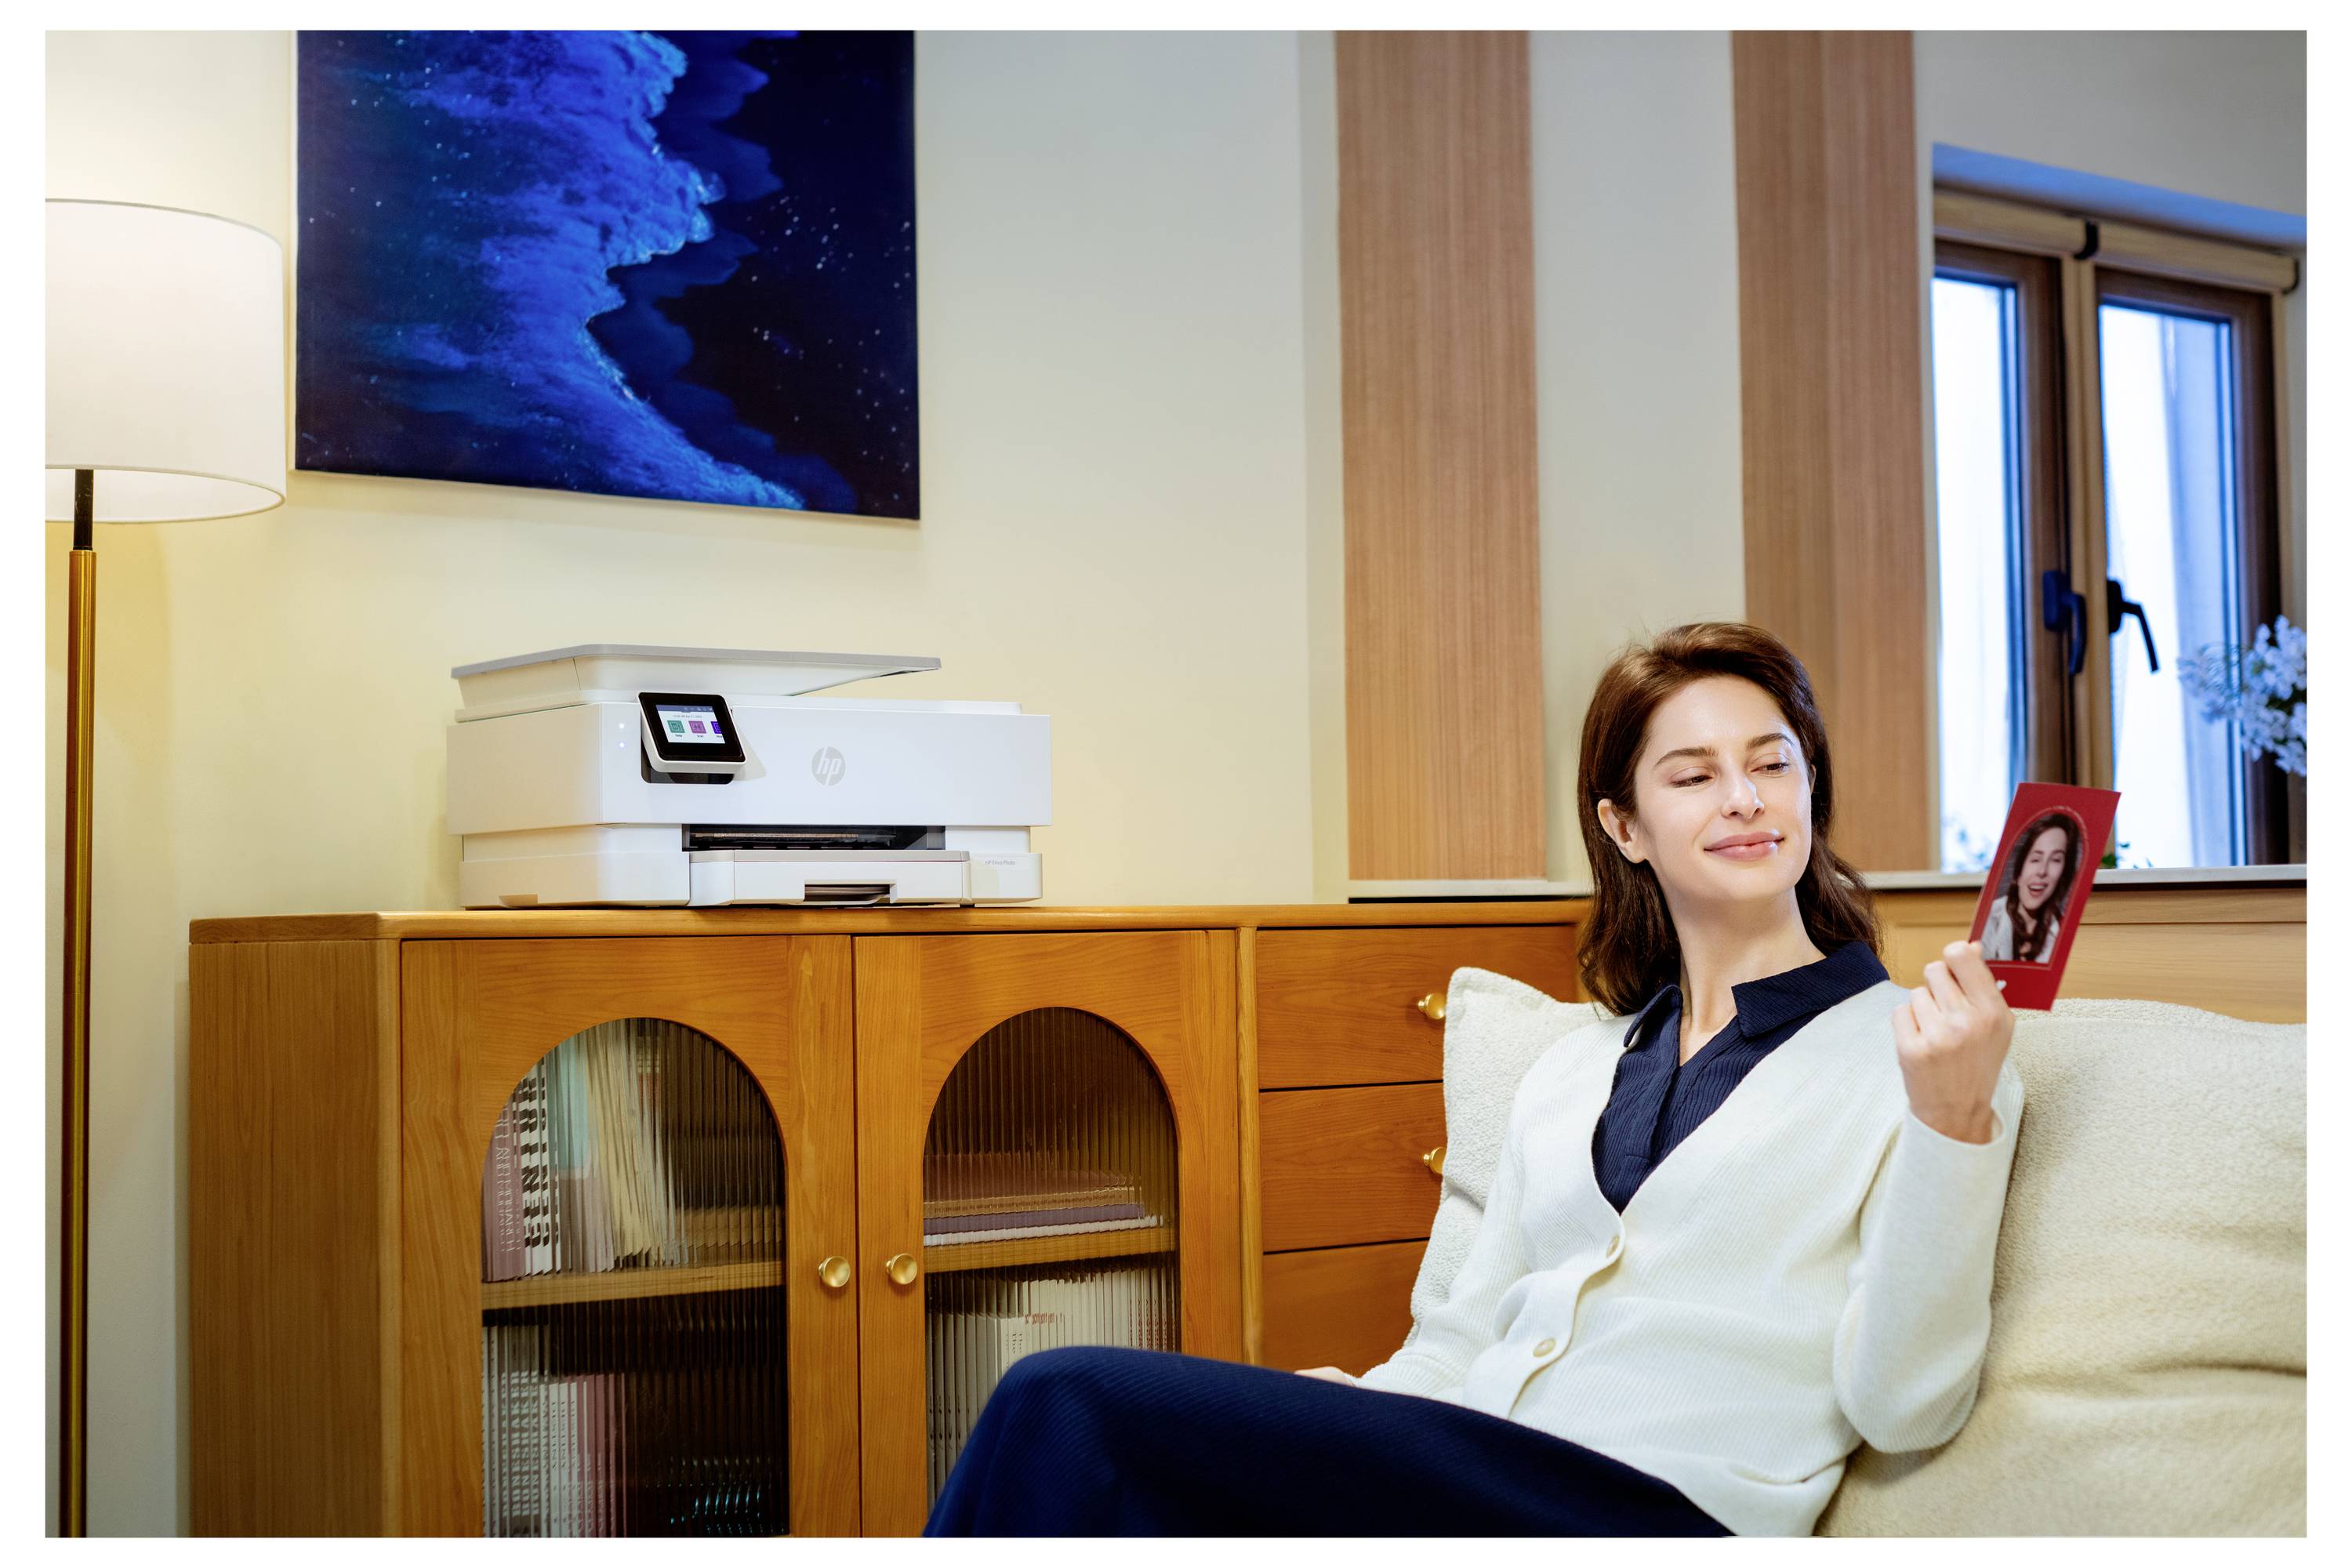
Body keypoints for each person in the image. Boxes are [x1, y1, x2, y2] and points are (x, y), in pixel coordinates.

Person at [925, 622, 2024, 1537]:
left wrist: (1950, 1122)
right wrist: (1339, 1419)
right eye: (1693, 775)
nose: (1743, 797)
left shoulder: (1929, 1058)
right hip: (1475, 1477)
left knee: (1063, 1397)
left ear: (1810, 786)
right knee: (1112, 1478)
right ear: (1626, 826)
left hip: (1657, 1515)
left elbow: (1908, 1405)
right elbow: (1456, 1343)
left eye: (1772, 761)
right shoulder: (1572, 1065)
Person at [1980, 813, 2081, 964]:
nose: (2042, 871)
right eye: (2035, 859)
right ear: (2019, 871)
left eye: (2056, 860)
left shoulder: (2064, 929)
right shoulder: (1990, 919)